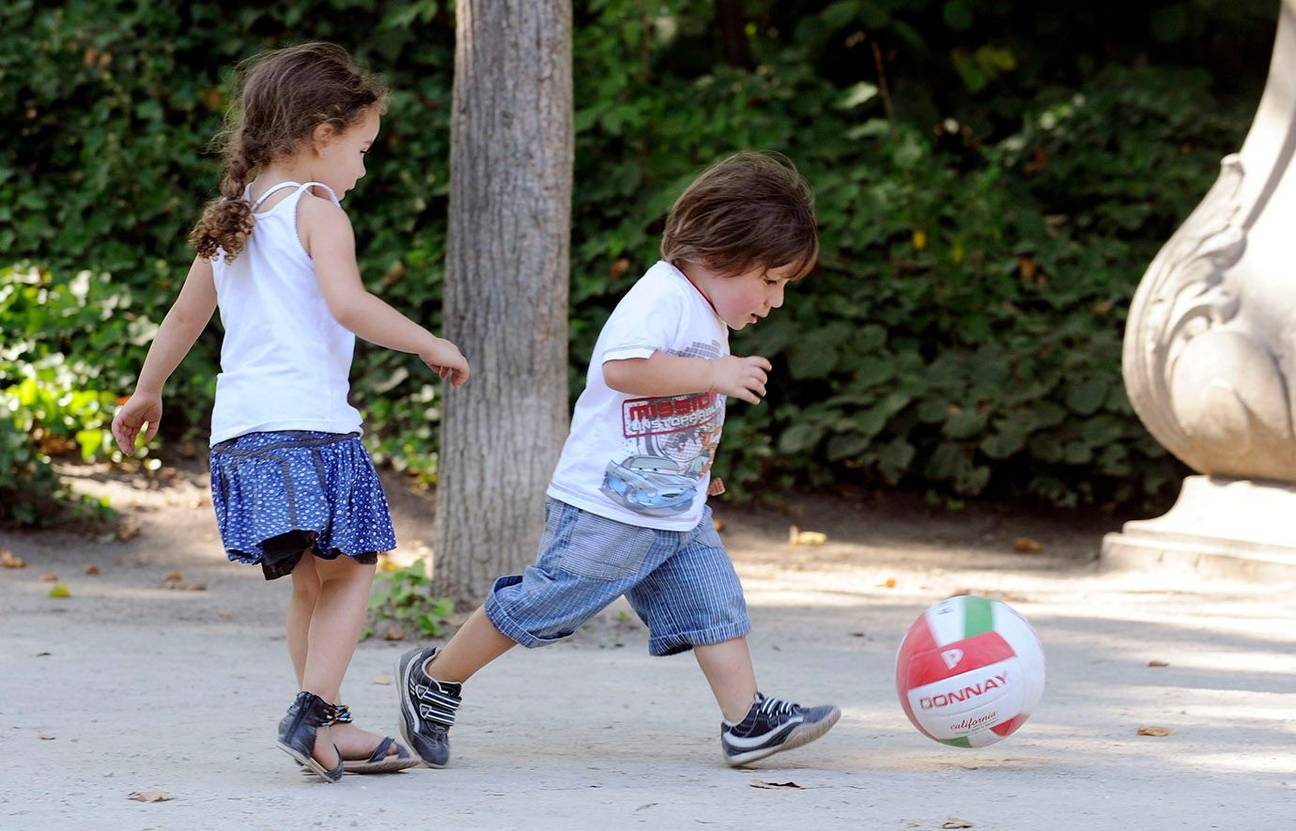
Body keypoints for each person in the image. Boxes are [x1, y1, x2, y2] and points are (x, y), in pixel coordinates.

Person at [396, 151, 838, 768]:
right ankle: (436, 676)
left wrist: (697, 466)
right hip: (608, 506)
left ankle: (747, 721)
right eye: (771, 281)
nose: (777, 300)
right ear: (719, 254)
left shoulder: (706, 316)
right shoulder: (661, 296)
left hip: (670, 504)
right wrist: (714, 372)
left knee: (715, 603)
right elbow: (624, 370)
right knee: (546, 602)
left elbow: (673, 414)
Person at [110, 42, 469, 782]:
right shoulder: (317, 210)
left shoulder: (233, 218)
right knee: (352, 572)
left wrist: (147, 390)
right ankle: (311, 711)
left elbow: (182, 320)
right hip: (310, 431)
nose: (363, 168)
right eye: (362, 149)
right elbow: (349, 303)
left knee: (313, 581)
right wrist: (428, 340)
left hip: (243, 438)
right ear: (322, 134)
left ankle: (329, 726)